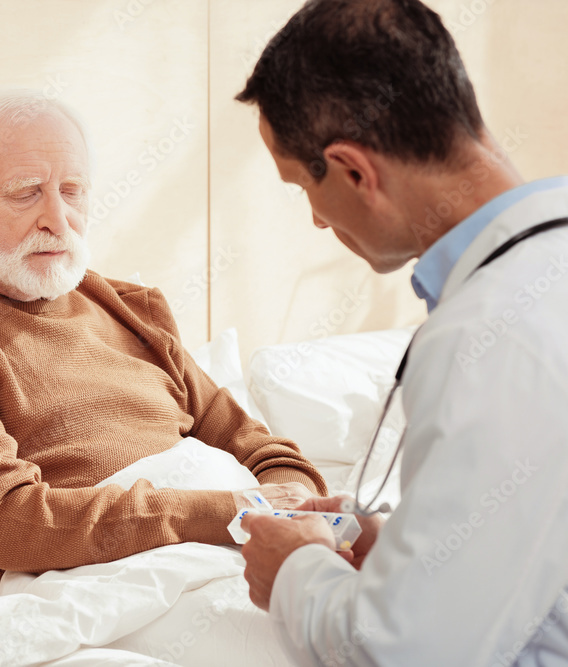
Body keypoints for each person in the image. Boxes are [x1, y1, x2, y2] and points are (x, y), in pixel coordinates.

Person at [0, 89, 327, 599]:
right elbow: (13, 525)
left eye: (72, 190)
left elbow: (261, 450)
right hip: (94, 590)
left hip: (236, 550)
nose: (57, 219)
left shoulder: (130, 310)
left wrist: (296, 508)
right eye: (26, 192)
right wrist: (235, 511)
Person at [234, 0, 568, 664]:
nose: (318, 223)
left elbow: (410, 652)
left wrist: (295, 571)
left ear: (356, 171)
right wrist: (410, 558)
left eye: (303, 187)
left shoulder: (487, 335)